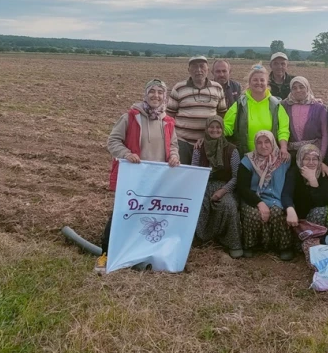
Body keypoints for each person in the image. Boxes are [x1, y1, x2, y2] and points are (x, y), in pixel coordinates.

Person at [97, 79, 180, 274]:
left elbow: (173, 145)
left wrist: (175, 156)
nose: (156, 96)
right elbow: (113, 141)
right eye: (152, 92)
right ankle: (105, 254)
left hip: (157, 179)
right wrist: (126, 154)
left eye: (160, 92)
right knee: (122, 213)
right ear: (145, 94)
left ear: (164, 97)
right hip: (133, 178)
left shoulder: (168, 121)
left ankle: (140, 253)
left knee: (148, 217)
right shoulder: (130, 117)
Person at [237, 130, 297, 261]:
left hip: (276, 198)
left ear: (273, 143)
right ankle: (252, 246)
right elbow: (242, 188)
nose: (263, 146)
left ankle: (283, 247)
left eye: (267, 142)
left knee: (277, 213)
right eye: (259, 142)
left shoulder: (284, 159)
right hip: (253, 198)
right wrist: (259, 203)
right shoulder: (248, 160)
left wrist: (322, 164)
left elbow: (306, 159)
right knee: (253, 214)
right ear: (255, 144)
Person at [191, 116, 243, 258]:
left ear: (222, 129)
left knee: (229, 205)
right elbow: (194, 172)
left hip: (225, 186)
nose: (215, 130)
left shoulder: (232, 150)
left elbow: (236, 177)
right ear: (206, 129)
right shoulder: (199, 148)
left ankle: (233, 243)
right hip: (203, 184)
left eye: (218, 127)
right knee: (198, 204)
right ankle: (199, 238)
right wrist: (198, 189)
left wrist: (223, 191)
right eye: (211, 127)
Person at [167, 56, 227, 165]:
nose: (198, 70)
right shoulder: (179, 88)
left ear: (208, 69)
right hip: (182, 142)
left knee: (202, 177)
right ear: (189, 70)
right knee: (180, 174)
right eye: (194, 67)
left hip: (207, 143)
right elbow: (169, 116)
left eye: (202, 66)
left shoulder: (218, 88)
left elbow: (222, 115)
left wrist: (210, 136)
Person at [224, 63, 291, 161]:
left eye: (262, 80)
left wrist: (284, 148)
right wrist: (209, 136)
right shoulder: (240, 104)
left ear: (267, 83)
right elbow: (227, 126)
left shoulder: (276, 105)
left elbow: (283, 129)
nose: (258, 82)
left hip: (270, 157)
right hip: (245, 156)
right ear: (249, 83)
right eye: (255, 80)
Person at [282, 76, 328, 159]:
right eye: (294, 88)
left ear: (307, 88)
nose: (298, 90)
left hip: (313, 154)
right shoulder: (284, 106)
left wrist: (321, 156)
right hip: (291, 153)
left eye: (301, 87)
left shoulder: (319, 108)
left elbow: (325, 134)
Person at [292, 144, 328, 226]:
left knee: (322, 211)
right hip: (295, 215)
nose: (311, 162)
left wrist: (312, 180)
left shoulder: (323, 174)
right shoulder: (294, 172)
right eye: (306, 159)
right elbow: (287, 194)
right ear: (300, 160)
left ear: (319, 161)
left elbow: (322, 203)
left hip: (314, 217)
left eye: (314, 159)